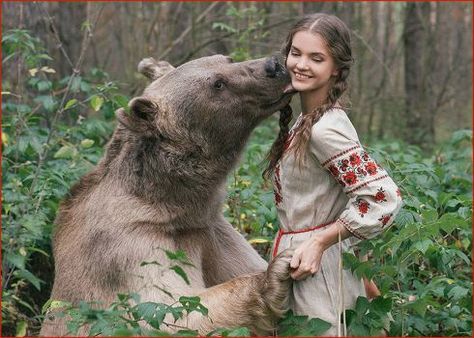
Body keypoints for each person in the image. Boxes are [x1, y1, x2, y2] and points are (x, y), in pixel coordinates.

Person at [263, 13, 403, 335]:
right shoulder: (307, 122)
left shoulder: (325, 129)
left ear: (336, 68)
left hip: (318, 272)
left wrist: (320, 243)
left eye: (316, 58)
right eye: (296, 53)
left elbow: (384, 196)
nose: (301, 64)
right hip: (300, 262)